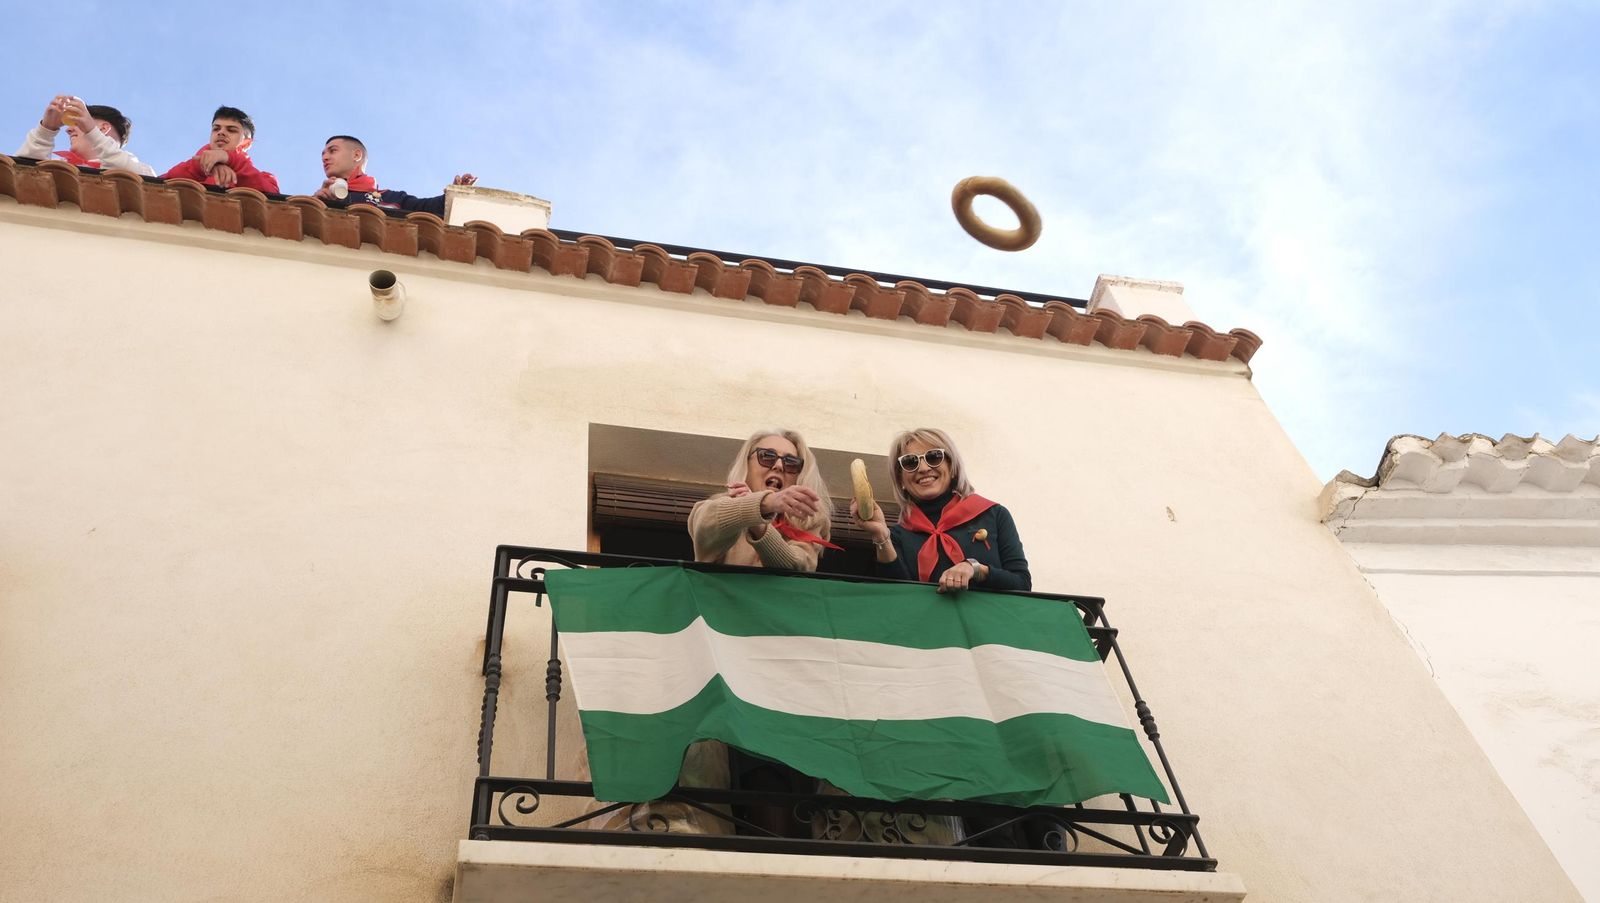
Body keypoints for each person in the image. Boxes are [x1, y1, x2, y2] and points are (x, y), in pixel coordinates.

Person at [853, 427, 1031, 592]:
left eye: (933, 457)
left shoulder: (994, 515)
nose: (923, 468)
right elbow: (897, 597)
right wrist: (881, 536)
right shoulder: (897, 536)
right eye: (910, 462)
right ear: (901, 479)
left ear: (952, 467)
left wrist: (975, 568)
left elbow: (1022, 584)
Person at [312, 135, 476, 217]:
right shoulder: (323, 196)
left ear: (356, 155)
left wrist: (456, 193)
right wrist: (317, 204)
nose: (325, 157)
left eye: (332, 151)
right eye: (323, 154)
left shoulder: (392, 198)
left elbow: (429, 209)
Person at [15, 96, 155, 176]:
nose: (68, 130)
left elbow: (133, 177)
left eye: (77, 122)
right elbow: (20, 175)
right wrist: (46, 130)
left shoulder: (140, 169)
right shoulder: (59, 167)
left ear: (103, 128)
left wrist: (91, 130)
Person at [159, 106, 279, 193]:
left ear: (247, 144)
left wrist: (230, 159)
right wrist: (202, 166)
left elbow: (274, 203)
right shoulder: (191, 168)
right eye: (216, 129)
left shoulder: (266, 178)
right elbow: (156, 189)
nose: (221, 132)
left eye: (231, 130)